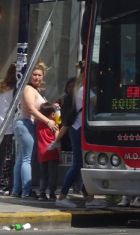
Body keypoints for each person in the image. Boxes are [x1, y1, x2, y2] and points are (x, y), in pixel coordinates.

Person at [55, 71, 105, 209]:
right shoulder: (84, 90)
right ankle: (62, 196)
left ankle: (89, 199)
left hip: (78, 129)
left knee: (83, 164)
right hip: (79, 129)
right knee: (78, 164)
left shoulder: (79, 90)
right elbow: (99, 103)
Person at [14, 63, 57, 198]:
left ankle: (17, 190)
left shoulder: (34, 90)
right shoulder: (28, 89)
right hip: (25, 123)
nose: (37, 77)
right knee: (26, 159)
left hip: (26, 124)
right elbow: (31, 109)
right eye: (34, 75)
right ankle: (26, 191)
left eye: (40, 75)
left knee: (22, 159)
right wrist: (48, 121)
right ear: (29, 75)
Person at [35, 102, 59, 201]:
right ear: (52, 114)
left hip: (41, 153)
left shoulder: (38, 124)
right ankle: (52, 194)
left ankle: (42, 193)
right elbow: (57, 141)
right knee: (53, 175)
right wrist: (60, 154)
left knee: (43, 175)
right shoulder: (54, 125)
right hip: (52, 153)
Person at [0, 63, 17, 194]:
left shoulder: (2, 87)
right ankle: (4, 184)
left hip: (1, 125)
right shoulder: (16, 89)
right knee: (7, 156)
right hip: (9, 127)